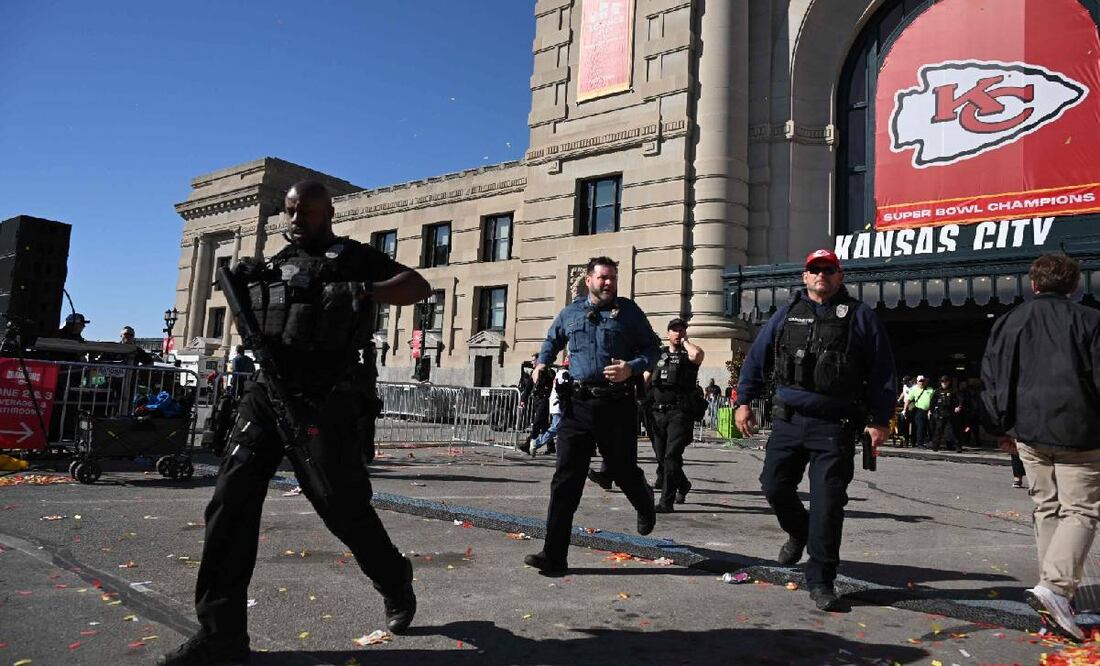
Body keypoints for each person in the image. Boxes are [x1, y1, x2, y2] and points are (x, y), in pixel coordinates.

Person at [158, 180, 432, 666]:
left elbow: (417, 286)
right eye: (289, 212)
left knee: (340, 506)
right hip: (267, 393)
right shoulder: (277, 263)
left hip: (325, 399)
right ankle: (221, 633)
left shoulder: (352, 256)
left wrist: (360, 291)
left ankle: (393, 577)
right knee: (230, 502)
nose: (294, 221)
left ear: (327, 212)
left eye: (304, 212)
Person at [734, 248, 895, 612]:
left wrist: (879, 420)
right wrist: (744, 401)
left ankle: (821, 580)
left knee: (827, 506)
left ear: (840, 277)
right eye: (814, 269)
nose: (821, 274)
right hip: (789, 421)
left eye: (828, 269)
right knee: (774, 486)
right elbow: (757, 358)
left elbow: (884, 371)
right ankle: (799, 532)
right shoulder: (786, 313)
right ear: (805, 277)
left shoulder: (860, 316)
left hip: (834, 427)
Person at [981, 252, 1100, 641]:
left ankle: (1054, 590)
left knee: (1046, 507)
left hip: (1029, 430)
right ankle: (1056, 589)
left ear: (1033, 284)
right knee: (1081, 510)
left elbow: (994, 375)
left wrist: (1000, 425)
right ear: (1074, 286)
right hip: (1079, 430)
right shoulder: (1090, 320)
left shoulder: (1009, 321)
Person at [523, 256, 660, 576]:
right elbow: (553, 339)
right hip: (578, 405)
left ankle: (644, 501)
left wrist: (632, 367)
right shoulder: (571, 312)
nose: (609, 283)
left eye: (613, 277)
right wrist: (543, 362)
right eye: (603, 277)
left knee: (623, 470)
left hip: (617, 405)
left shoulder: (629, 312)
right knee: (565, 481)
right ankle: (553, 556)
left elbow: (653, 349)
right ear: (589, 280)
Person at [646, 318, 704, 511]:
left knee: (671, 457)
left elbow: (697, 354)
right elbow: (646, 377)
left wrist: (685, 342)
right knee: (662, 459)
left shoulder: (689, 355)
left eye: (681, 330)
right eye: (674, 330)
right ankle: (684, 484)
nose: (678, 333)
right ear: (668, 333)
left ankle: (666, 502)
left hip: (679, 413)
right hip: (657, 413)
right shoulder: (659, 355)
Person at [531, 361, 571, 455]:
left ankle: (566, 449)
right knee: (555, 427)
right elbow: (562, 390)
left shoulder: (562, 373)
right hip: (558, 405)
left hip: (560, 404)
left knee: (566, 427)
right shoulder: (564, 374)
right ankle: (536, 443)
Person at [929, 375, 961, 452]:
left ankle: (958, 447)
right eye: (942, 382)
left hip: (950, 412)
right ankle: (935, 446)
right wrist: (930, 410)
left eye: (945, 382)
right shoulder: (937, 392)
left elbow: (959, 400)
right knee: (938, 430)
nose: (944, 383)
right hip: (941, 412)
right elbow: (933, 402)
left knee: (953, 430)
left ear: (948, 382)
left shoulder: (953, 391)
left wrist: (958, 407)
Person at [904, 376, 934, 448]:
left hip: (930, 411)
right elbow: (908, 399)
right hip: (919, 410)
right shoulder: (914, 389)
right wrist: (904, 409)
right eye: (920, 381)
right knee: (920, 427)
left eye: (923, 380)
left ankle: (930, 442)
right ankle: (920, 443)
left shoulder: (930, 389)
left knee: (930, 427)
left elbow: (934, 400)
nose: (922, 382)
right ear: (917, 382)